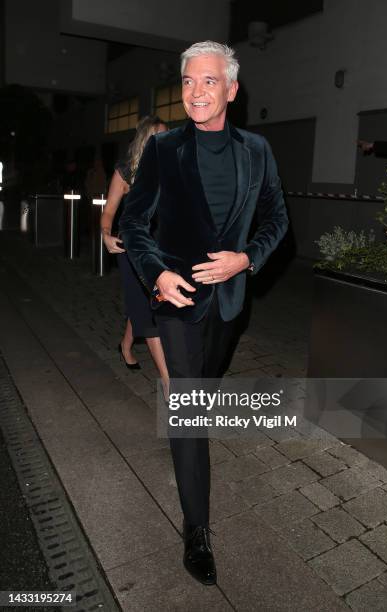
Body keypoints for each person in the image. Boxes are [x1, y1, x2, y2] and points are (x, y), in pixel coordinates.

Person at [119, 41, 288, 586]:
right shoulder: (166, 150)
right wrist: (156, 274)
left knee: (204, 392)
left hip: (230, 303)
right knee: (190, 410)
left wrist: (246, 258)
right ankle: (196, 530)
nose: (195, 92)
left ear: (231, 90)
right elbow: (135, 224)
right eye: (188, 82)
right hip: (176, 299)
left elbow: (277, 220)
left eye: (208, 81)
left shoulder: (257, 151)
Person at [100, 116, 169, 390]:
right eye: (157, 136)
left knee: (144, 303)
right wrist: (105, 234)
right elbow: (108, 212)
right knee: (150, 309)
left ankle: (126, 344)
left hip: (162, 248)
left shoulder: (171, 168)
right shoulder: (126, 171)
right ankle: (168, 383)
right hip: (132, 249)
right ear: (144, 139)